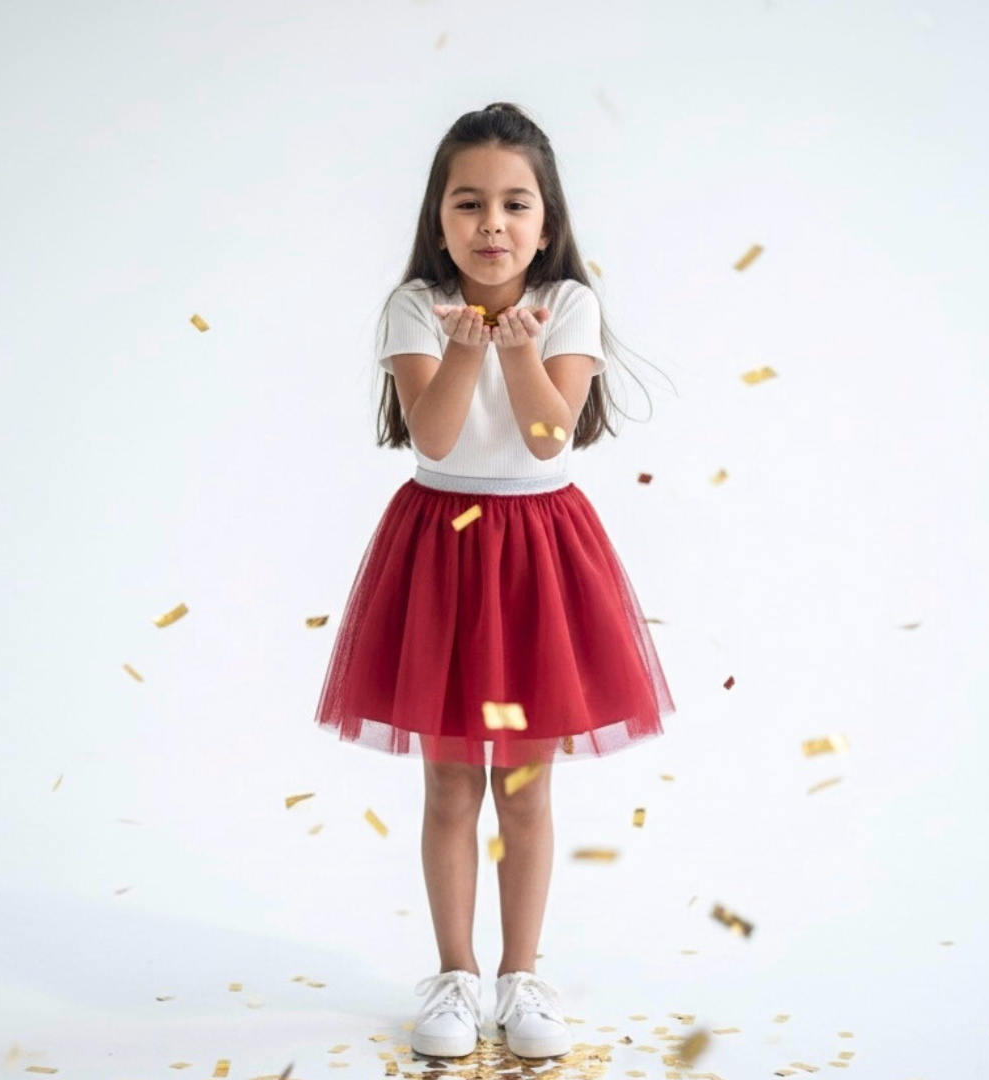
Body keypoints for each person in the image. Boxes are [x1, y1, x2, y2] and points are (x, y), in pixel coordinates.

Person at [312, 102, 676, 1062]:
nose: (491, 225)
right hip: (439, 549)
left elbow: (552, 436)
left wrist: (517, 343)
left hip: (539, 557)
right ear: (438, 218)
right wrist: (470, 341)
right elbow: (431, 437)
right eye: (468, 203)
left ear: (546, 222)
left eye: (515, 204)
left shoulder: (571, 306)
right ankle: (454, 976)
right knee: (446, 787)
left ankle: (522, 977)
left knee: (523, 787)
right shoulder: (413, 309)